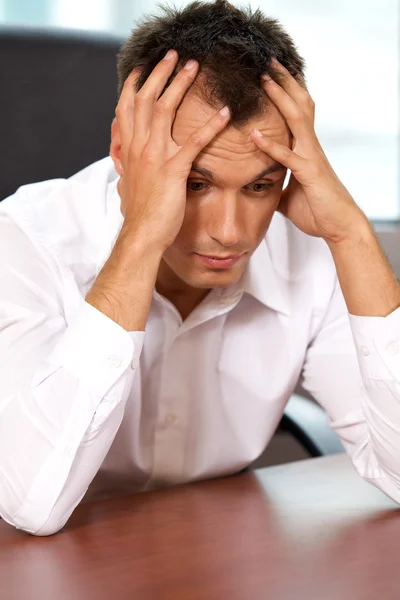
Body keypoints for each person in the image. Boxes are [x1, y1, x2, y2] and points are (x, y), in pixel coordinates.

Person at [0, 0, 399, 537]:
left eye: (260, 185)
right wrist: (141, 237)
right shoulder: (22, 242)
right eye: (194, 183)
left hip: (209, 553)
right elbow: (32, 505)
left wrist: (351, 235)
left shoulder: (309, 250)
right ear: (123, 148)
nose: (231, 232)